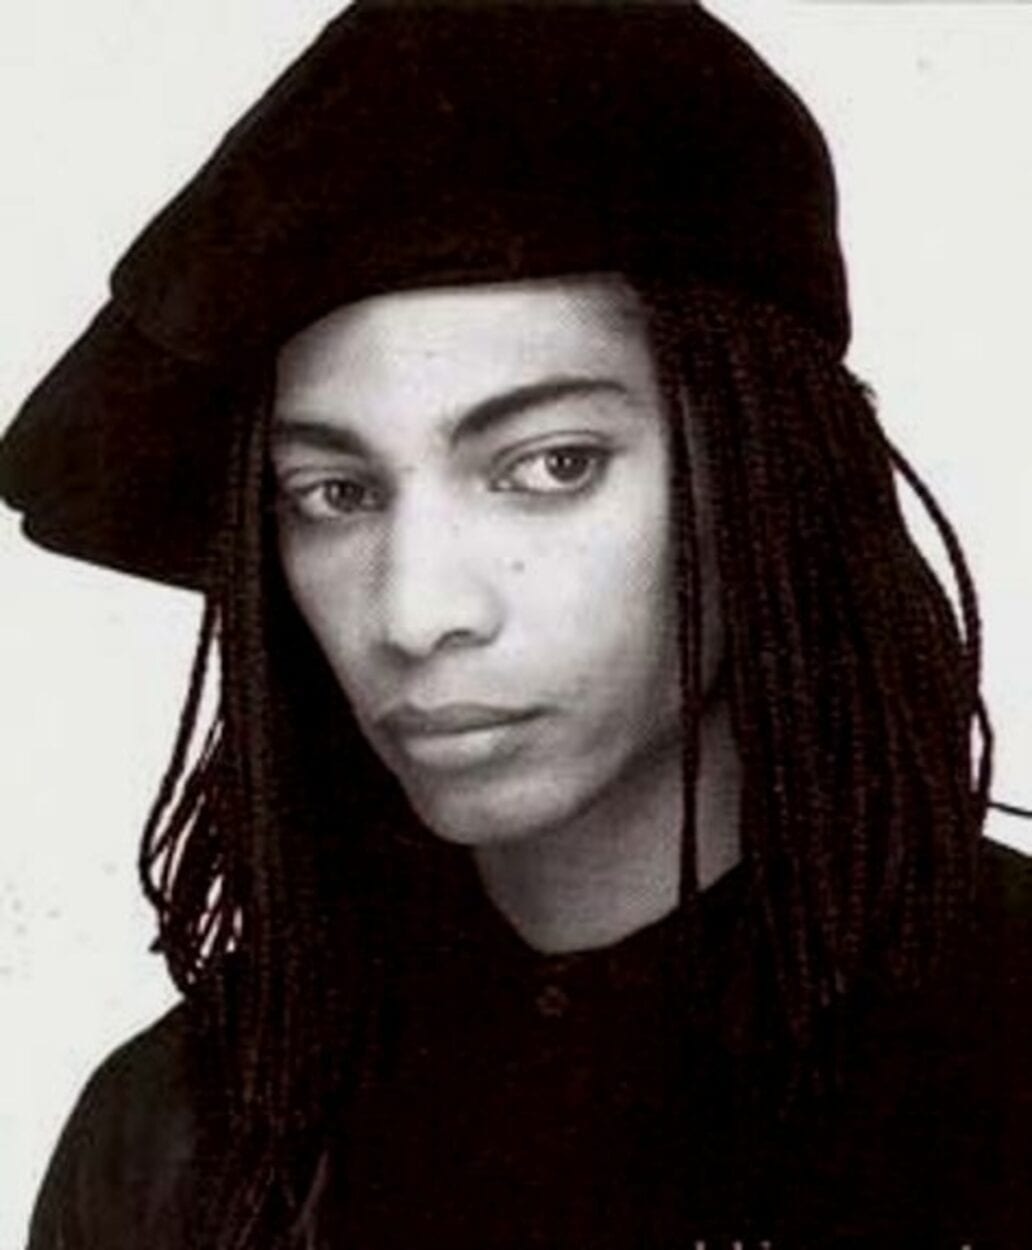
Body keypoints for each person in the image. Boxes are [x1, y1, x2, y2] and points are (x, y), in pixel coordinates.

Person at [1, 2, 1028, 1247]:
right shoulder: (187, 1137)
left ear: (768, 473)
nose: (416, 610)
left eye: (551, 464)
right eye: (335, 492)